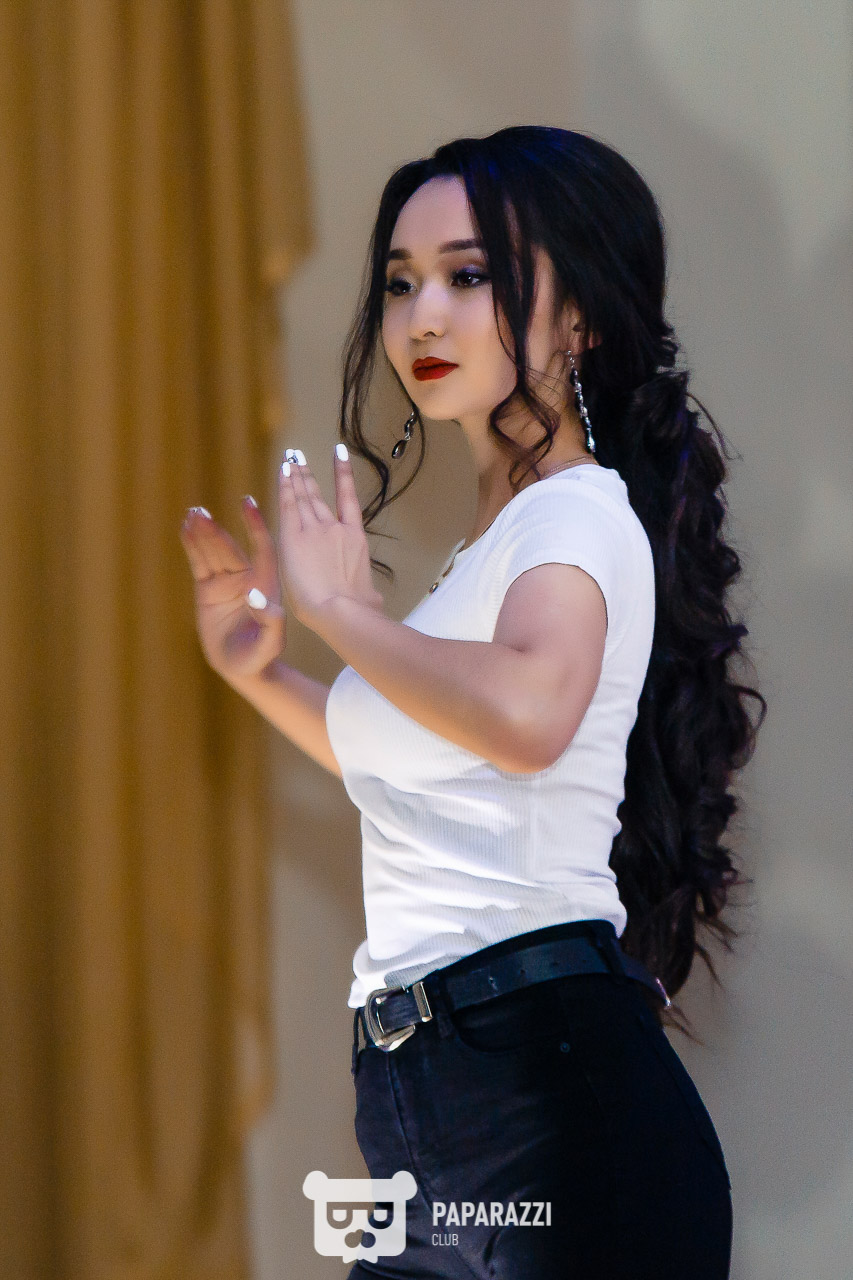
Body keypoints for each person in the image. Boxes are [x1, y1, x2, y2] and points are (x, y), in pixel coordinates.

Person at [179, 126, 766, 1278]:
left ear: (580, 317)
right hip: (426, 1103)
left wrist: (346, 613)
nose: (421, 317)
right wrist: (259, 668)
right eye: (401, 283)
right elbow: (421, 755)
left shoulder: (576, 514)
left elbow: (527, 715)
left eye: (469, 274)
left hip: (546, 1093)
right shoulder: (487, 551)